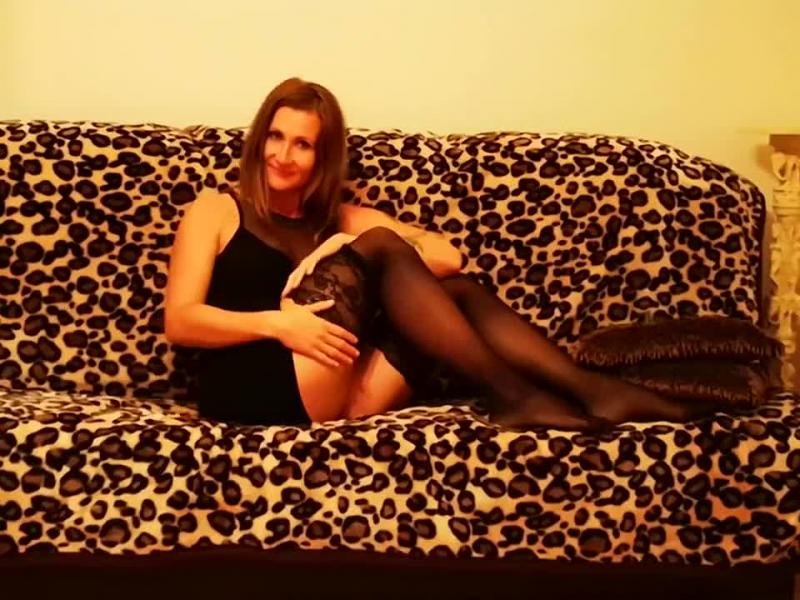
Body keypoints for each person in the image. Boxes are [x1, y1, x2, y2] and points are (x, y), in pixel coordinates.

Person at [164, 77, 695, 430]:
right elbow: (181, 321)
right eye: (275, 137)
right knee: (380, 245)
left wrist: (337, 244)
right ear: (259, 140)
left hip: (344, 391)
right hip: (256, 385)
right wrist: (279, 325)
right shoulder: (217, 210)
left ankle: (589, 389)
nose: (283, 155)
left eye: (302, 144)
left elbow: (447, 257)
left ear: (323, 157)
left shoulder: (342, 219)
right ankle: (514, 395)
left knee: (454, 290)